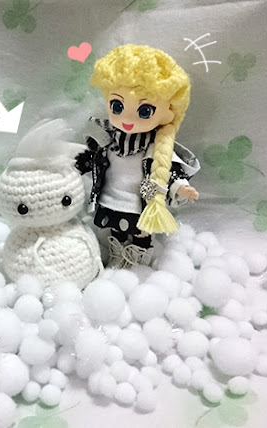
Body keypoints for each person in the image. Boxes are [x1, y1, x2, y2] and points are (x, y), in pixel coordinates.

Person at [75, 45, 200, 268]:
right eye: (117, 106)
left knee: (141, 232)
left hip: (140, 201)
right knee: (116, 229)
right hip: (111, 197)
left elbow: (166, 171)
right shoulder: (106, 137)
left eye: (144, 111)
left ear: (168, 113)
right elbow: (90, 158)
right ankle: (118, 253)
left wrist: (180, 187)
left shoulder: (156, 146)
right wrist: (77, 167)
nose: (127, 119)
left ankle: (138, 258)